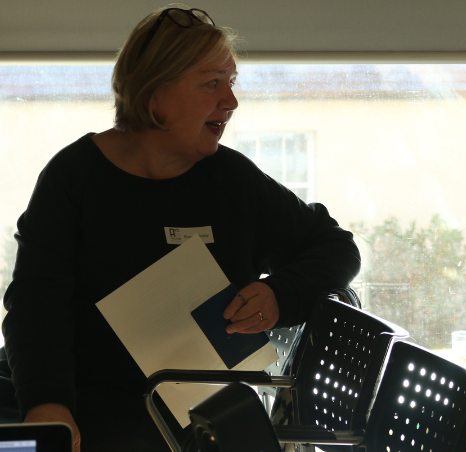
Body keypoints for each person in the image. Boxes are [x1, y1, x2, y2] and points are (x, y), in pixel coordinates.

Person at [0, 5, 360, 452]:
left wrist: (279, 295)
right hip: (88, 414)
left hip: (204, 420)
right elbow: (36, 306)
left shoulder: (232, 180)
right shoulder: (74, 178)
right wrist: (47, 404)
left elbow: (336, 247)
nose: (230, 101)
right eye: (212, 83)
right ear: (154, 95)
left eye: (231, 83)